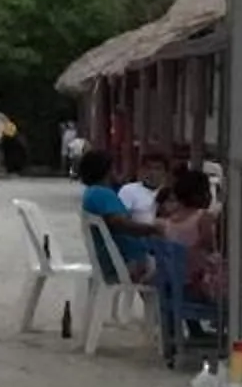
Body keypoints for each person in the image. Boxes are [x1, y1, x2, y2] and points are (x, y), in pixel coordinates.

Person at [78, 148, 191, 350]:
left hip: (120, 261)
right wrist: (152, 229)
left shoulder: (93, 193)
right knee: (183, 272)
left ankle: (171, 329)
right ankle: (175, 333)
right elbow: (120, 224)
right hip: (130, 264)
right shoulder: (104, 195)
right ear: (107, 170)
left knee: (178, 267)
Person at [158, 166, 226, 312]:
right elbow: (208, 245)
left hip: (175, 281)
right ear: (201, 194)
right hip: (198, 283)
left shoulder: (169, 222)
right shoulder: (203, 217)